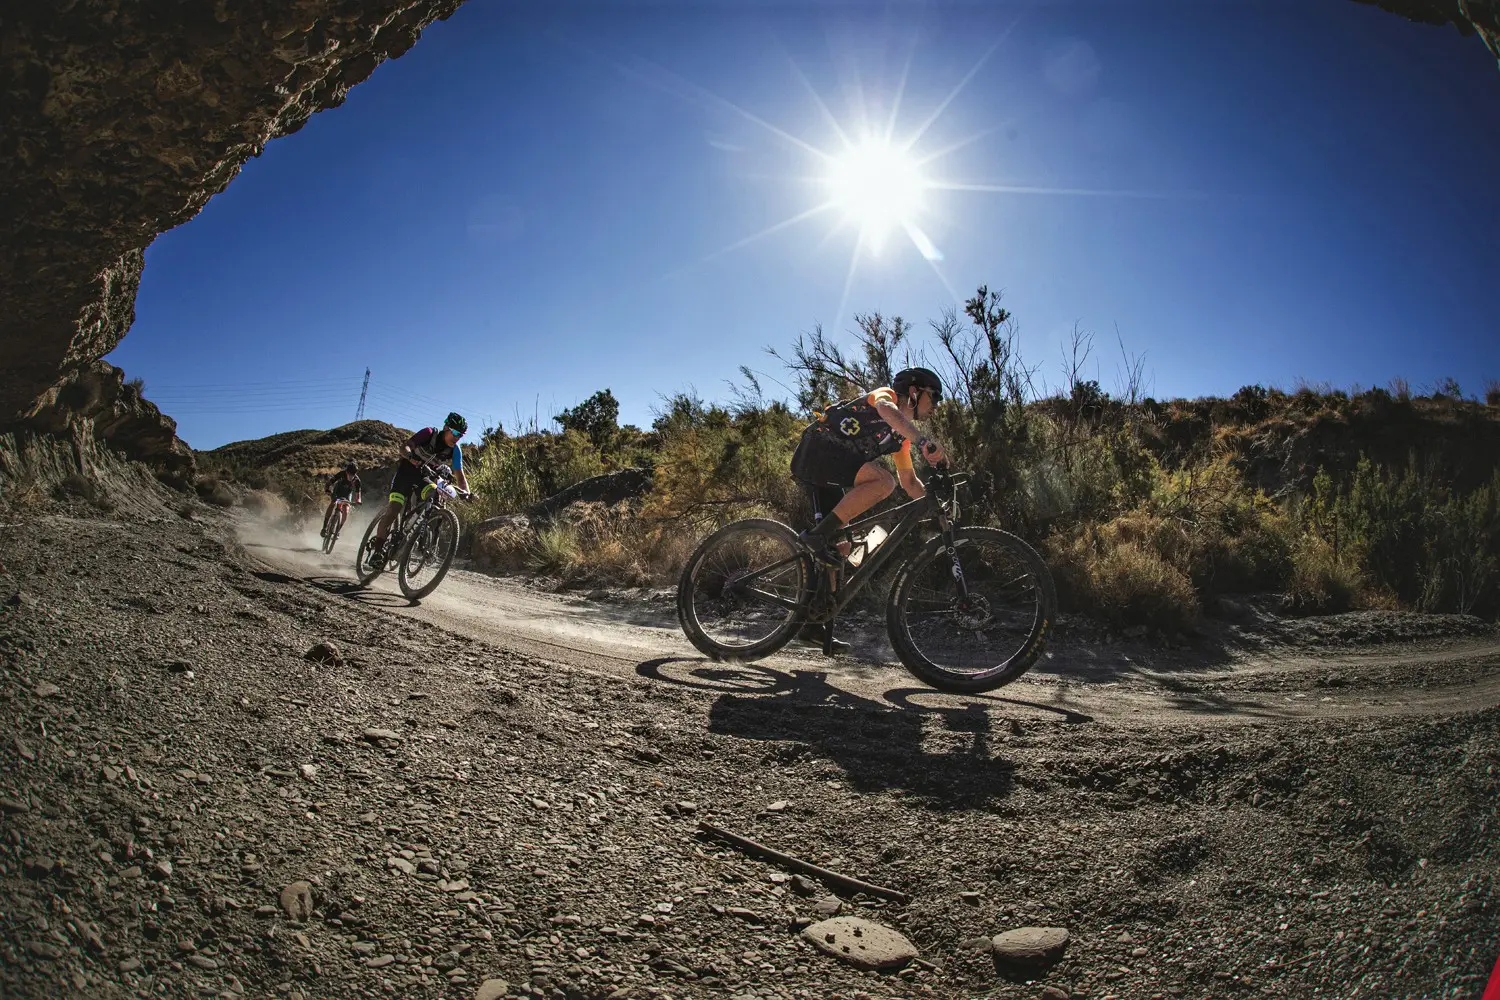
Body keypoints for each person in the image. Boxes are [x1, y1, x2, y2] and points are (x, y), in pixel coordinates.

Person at [788, 367, 948, 652]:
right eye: (933, 396)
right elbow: (886, 410)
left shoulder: (900, 439)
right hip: (816, 451)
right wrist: (923, 441)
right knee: (883, 482)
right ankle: (816, 537)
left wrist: (937, 508)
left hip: (830, 468)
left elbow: (909, 482)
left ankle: (813, 625)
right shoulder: (886, 397)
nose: (936, 405)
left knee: (839, 548)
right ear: (914, 392)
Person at [366, 412, 471, 568]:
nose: (457, 437)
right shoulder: (429, 433)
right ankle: (378, 552)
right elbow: (404, 447)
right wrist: (410, 457)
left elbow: (460, 476)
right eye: (455, 432)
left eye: (461, 435)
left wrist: (467, 493)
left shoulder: (455, 450)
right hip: (406, 473)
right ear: (446, 427)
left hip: (425, 478)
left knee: (435, 496)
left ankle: (420, 536)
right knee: (394, 509)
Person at [320, 461, 363, 538]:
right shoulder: (341, 474)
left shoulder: (357, 480)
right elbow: (329, 482)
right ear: (346, 472)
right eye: (349, 474)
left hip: (347, 494)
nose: (351, 476)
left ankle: (338, 531)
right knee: (333, 503)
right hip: (338, 491)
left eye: (353, 474)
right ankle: (324, 528)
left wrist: (358, 501)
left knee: (345, 511)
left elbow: (358, 494)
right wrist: (327, 489)